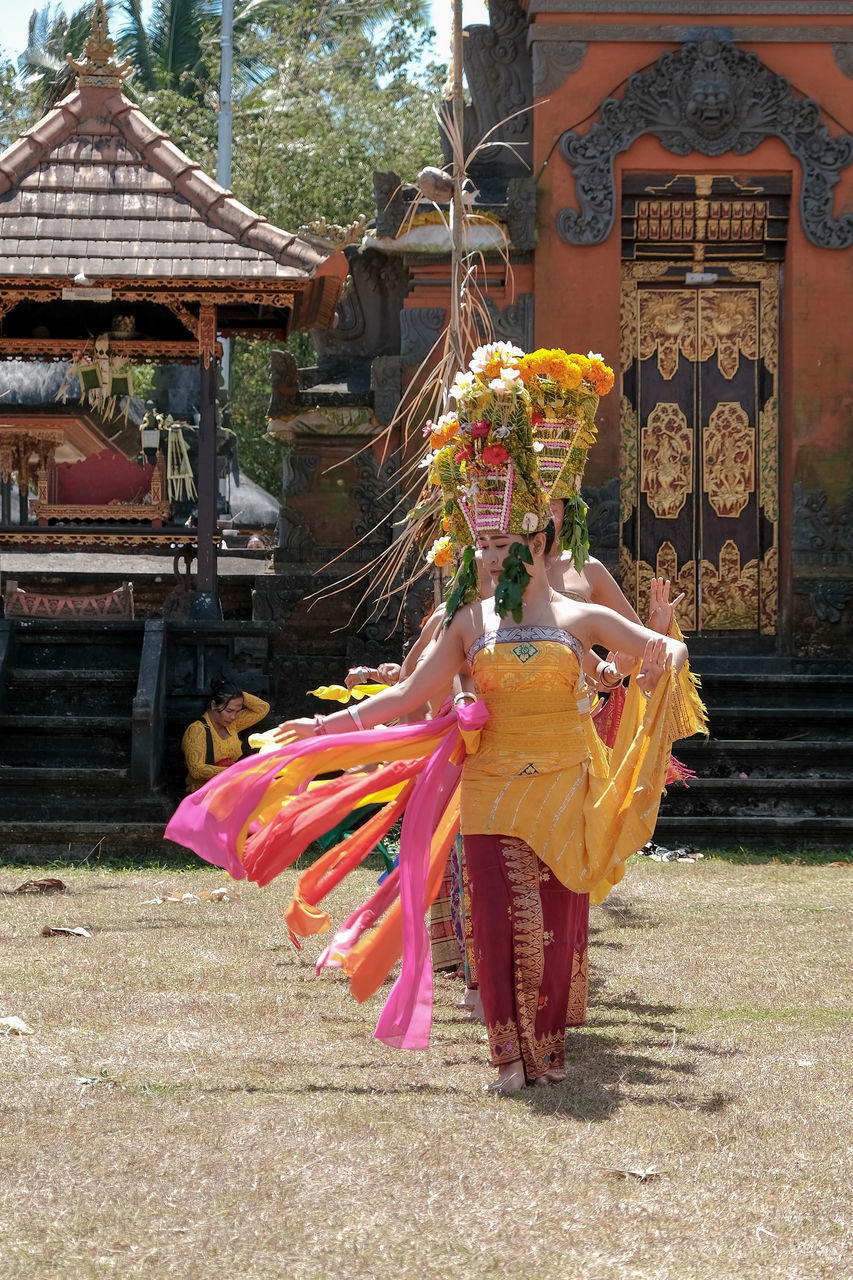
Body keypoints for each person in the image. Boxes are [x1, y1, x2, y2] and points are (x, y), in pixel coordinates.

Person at [181, 676, 270, 794]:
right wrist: (235, 771)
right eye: (229, 711)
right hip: (204, 795)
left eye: (237, 711)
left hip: (229, 789)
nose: (233, 716)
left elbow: (263, 708)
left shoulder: (233, 724)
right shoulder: (197, 730)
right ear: (213, 705)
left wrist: (235, 693)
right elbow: (196, 770)